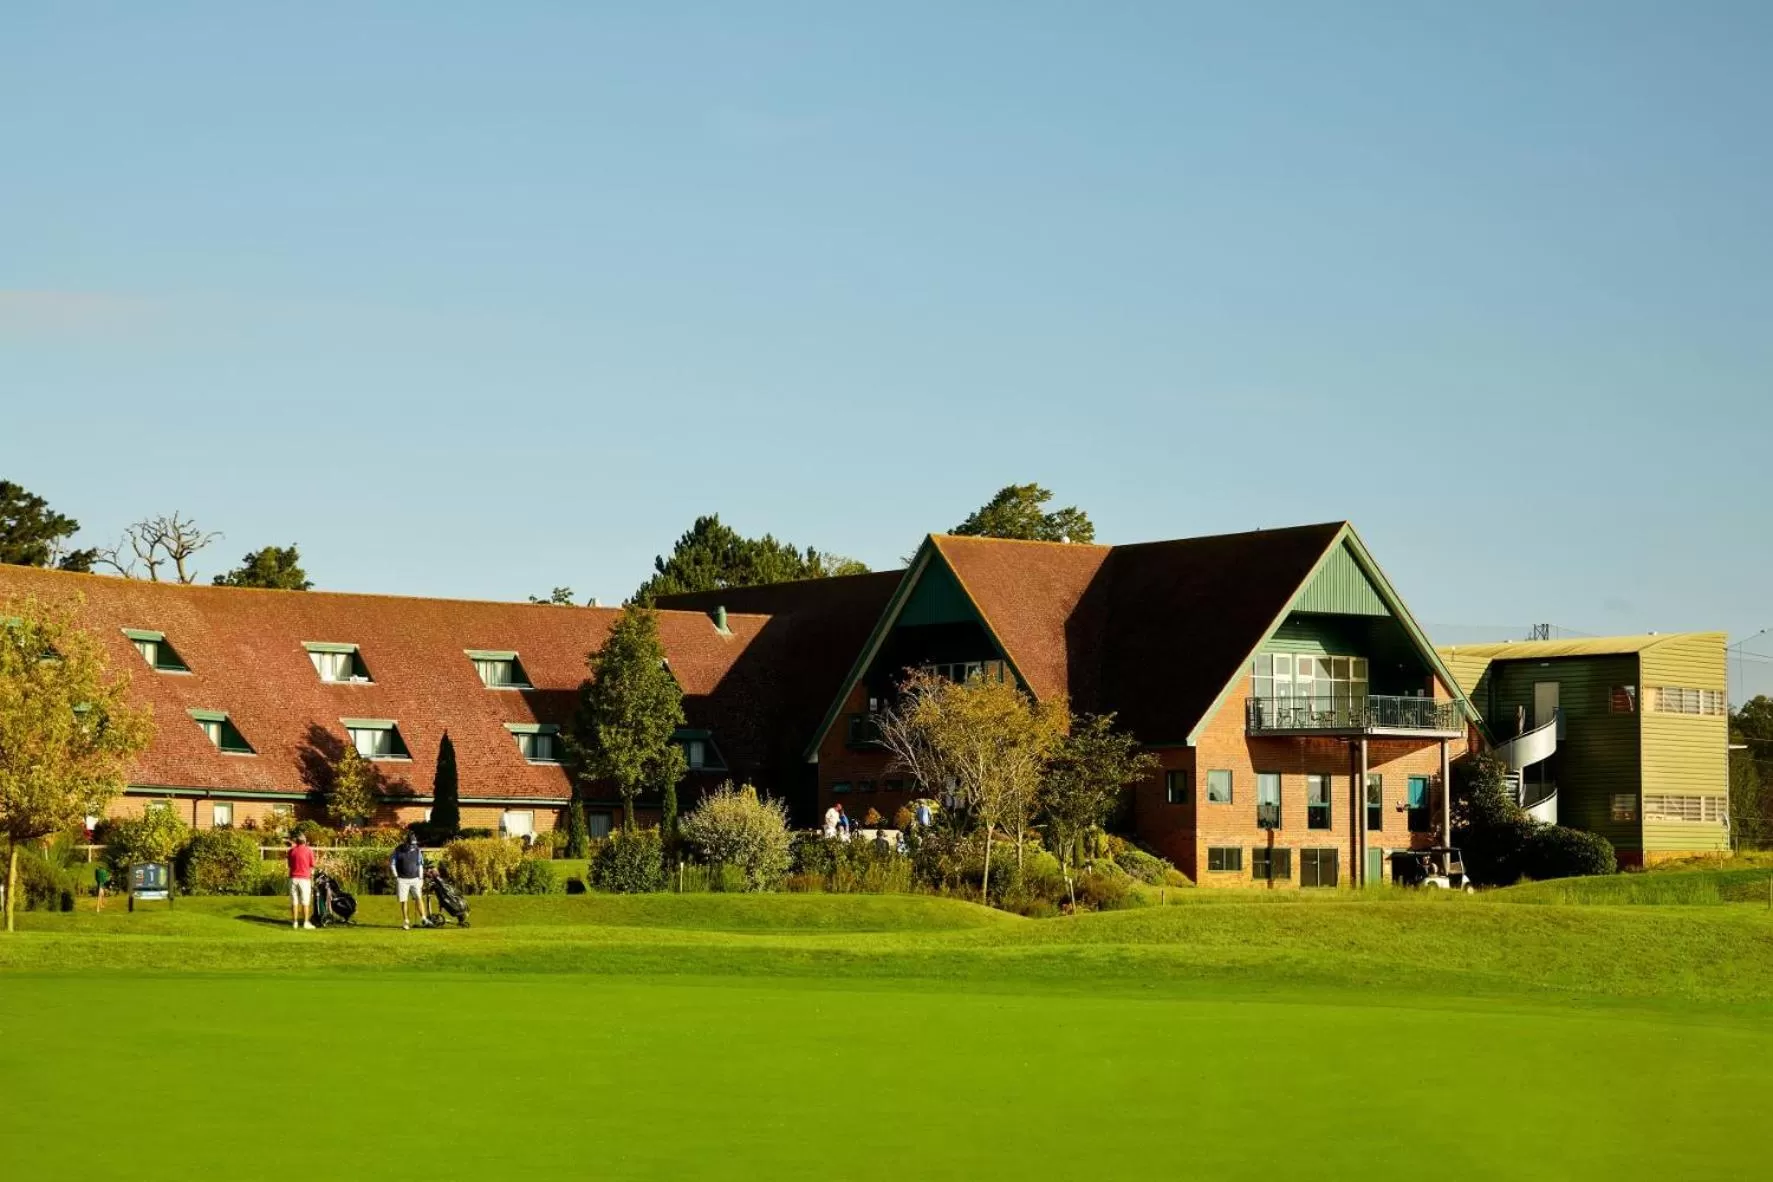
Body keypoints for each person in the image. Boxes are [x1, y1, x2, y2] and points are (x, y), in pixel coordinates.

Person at [389, 833, 428, 930]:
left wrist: (421, 878)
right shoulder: (398, 850)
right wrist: (396, 876)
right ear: (406, 842)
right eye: (411, 844)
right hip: (402, 879)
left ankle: (423, 918)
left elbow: (420, 865)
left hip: (415, 879)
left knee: (419, 898)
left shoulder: (417, 850)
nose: (412, 846)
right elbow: (392, 863)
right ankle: (406, 921)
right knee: (404, 901)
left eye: (414, 844)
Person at [287, 832, 316, 930]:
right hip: (304, 879)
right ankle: (305, 922)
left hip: (293, 878)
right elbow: (312, 864)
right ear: (305, 841)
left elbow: (290, 865)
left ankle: (294, 922)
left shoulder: (291, 851)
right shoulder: (309, 851)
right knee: (305, 901)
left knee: (294, 901)